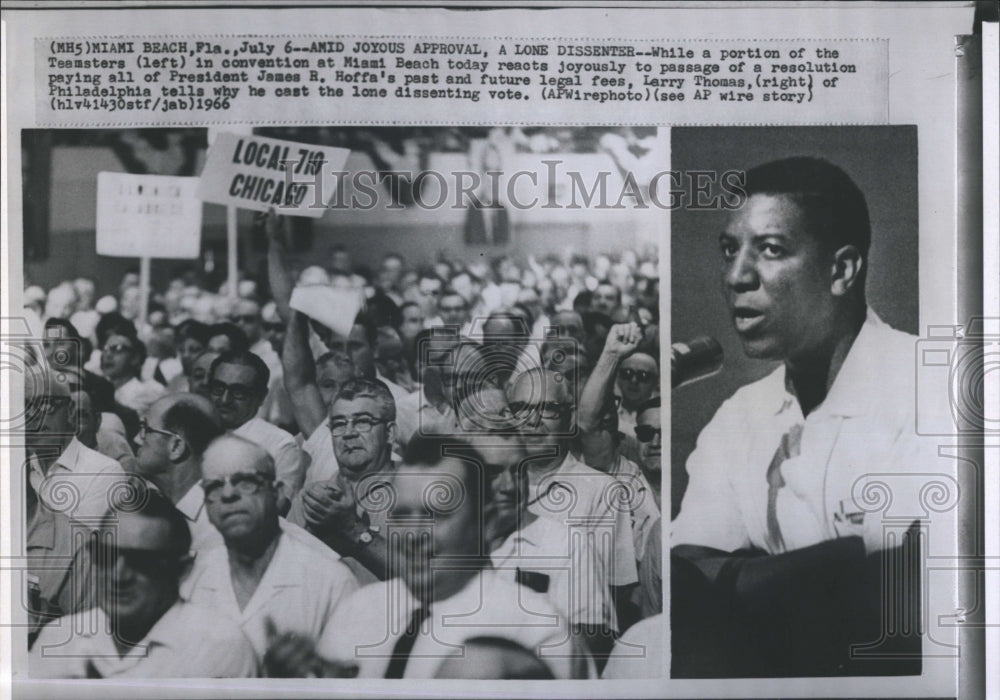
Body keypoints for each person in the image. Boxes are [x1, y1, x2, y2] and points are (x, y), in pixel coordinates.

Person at [671, 156, 930, 676]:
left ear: (841, 270)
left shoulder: (930, 388)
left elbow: (907, 591)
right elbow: (686, 580)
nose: (737, 276)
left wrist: (742, 579)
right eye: (729, 250)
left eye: (770, 249)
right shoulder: (739, 416)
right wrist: (841, 567)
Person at [264, 435, 588, 679]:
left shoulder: (536, 628)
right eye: (404, 515)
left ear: (484, 521)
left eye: (438, 514)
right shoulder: (359, 611)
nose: (416, 533)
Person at [29, 491, 257, 678]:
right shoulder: (60, 639)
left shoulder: (217, 647)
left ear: (182, 571)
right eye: (105, 555)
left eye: (141, 562)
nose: (118, 575)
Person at [183, 436, 358, 661]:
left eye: (245, 482)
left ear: (276, 492)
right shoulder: (193, 578)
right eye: (214, 486)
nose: (228, 495)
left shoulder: (330, 581)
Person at [506, 368, 639, 630]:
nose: (532, 420)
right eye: (521, 408)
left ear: (570, 420)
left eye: (548, 409)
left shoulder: (602, 491)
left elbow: (615, 588)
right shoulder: (492, 488)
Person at [289, 379, 398, 584]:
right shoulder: (310, 499)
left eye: (363, 422)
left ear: (390, 433)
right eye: (339, 424)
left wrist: (352, 529)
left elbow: (431, 580)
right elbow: (285, 580)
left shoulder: (418, 492)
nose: (348, 433)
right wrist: (311, 535)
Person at [25, 368, 129, 525]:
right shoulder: (16, 468)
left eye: (45, 405)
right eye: (25, 408)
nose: (33, 417)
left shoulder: (103, 472)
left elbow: (83, 539)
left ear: (71, 411)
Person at [208, 351, 304, 512]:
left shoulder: (279, 445)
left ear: (261, 397)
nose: (225, 400)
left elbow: (275, 510)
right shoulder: (193, 432)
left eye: (238, 392)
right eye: (218, 388)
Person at [134, 393, 226, 553]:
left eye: (146, 429)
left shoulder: (217, 529)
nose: (137, 438)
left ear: (176, 447)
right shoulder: (153, 507)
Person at [99, 321, 166, 414]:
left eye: (117, 349)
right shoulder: (100, 389)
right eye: (105, 349)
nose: (107, 355)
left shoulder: (146, 393)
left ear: (135, 358)